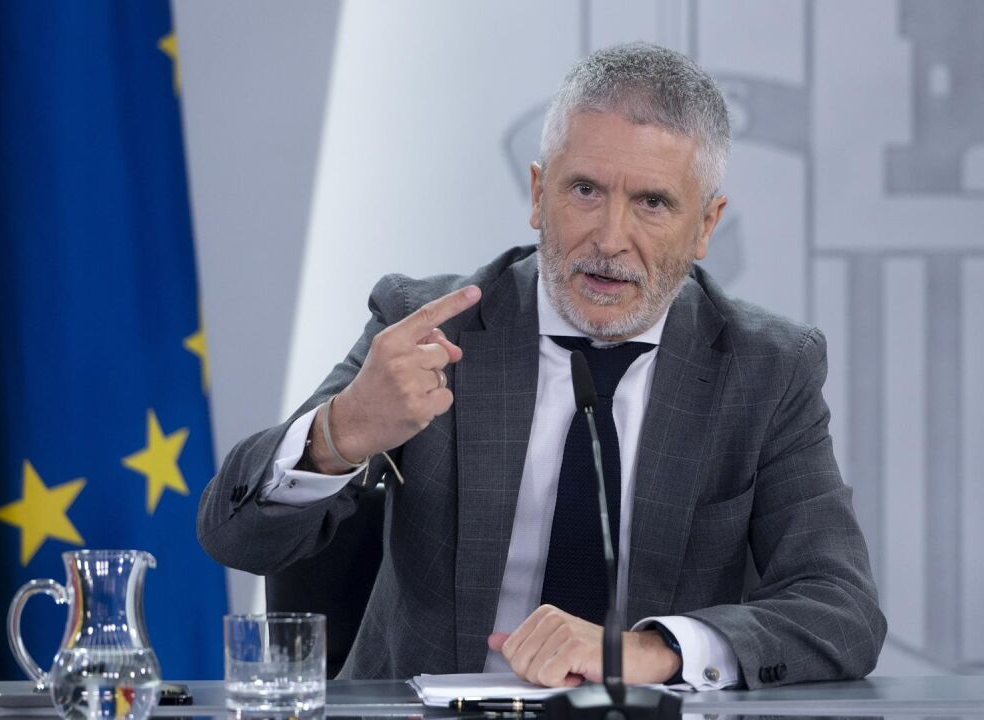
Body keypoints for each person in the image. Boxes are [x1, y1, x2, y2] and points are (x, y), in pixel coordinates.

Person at [198, 42, 885, 690]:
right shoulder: (427, 327)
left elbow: (841, 610)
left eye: (652, 203)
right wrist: (340, 432)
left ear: (707, 224)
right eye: (584, 190)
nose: (609, 238)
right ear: (537, 193)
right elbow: (232, 537)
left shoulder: (767, 370)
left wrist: (648, 651)